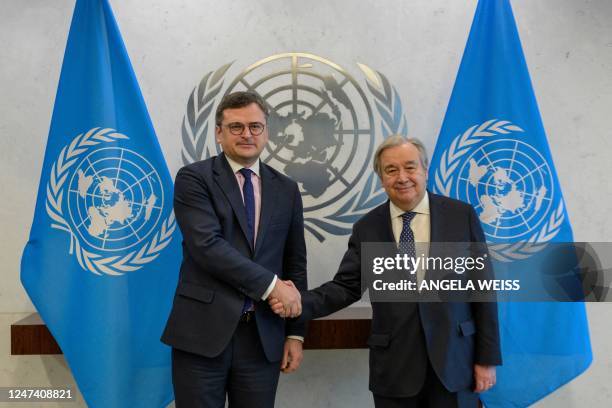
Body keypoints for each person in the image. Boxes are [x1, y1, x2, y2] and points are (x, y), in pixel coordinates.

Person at [271, 135, 501, 408]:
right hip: (395, 370)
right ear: (381, 178)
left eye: (410, 167)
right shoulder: (368, 228)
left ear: (425, 171)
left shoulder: (461, 216)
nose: (402, 177)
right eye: (391, 170)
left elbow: (483, 288)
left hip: (455, 363)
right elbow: (346, 287)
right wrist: (297, 300)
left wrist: (486, 358)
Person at [162, 91, 307, 408]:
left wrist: (295, 333)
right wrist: (272, 287)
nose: (247, 134)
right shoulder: (194, 179)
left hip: (263, 338)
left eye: (255, 126)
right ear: (219, 133)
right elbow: (206, 246)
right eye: (236, 127)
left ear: (266, 132)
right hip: (202, 335)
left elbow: (295, 264)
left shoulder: (286, 189)